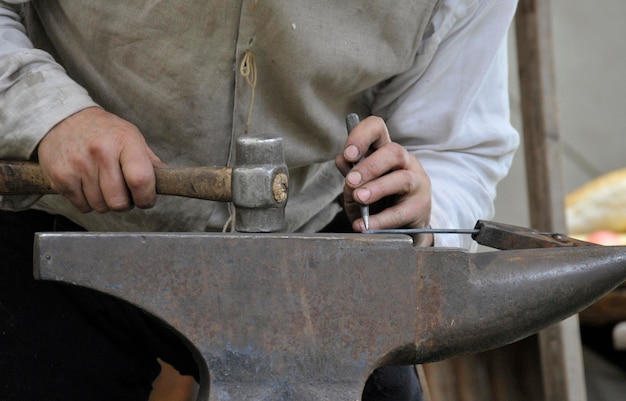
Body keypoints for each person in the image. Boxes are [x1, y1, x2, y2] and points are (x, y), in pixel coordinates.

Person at [0, 0, 520, 400]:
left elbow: (454, 144)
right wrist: (48, 112)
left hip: (308, 255)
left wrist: (422, 203)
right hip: (60, 228)